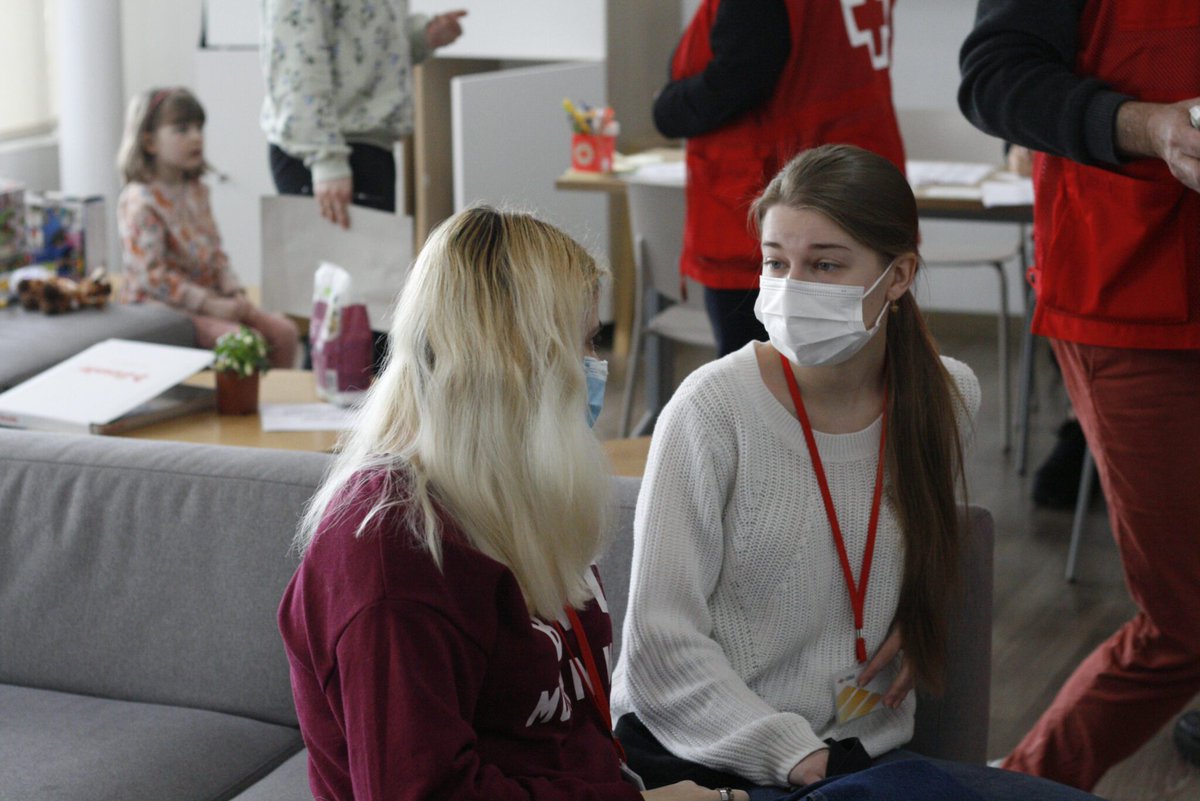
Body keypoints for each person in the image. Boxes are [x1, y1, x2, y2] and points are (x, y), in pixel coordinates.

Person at [609, 145, 1100, 801]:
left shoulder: (947, 395)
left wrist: (914, 601)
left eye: (825, 264)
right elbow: (657, 653)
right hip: (713, 756)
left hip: (862, 755)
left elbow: (917, 540)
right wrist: (798, 755)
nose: (790, 287)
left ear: (898, 277)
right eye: (776, 262)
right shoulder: (712, 407)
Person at [278, 206, 748, 801]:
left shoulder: (503, 498)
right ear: (517, 362)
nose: (596, 369)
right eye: (585, 343)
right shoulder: (392, 553)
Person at [959, 1, 1200, 790]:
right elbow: (995, 80)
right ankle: (1027, 780)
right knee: (1187, 618)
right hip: (1130, 296)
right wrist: (1152, 127)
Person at [655, 0, 905, 356]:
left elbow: (740, 76)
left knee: (758, 386)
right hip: (858, 189)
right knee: (861, 377)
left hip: (775, 213)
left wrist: (666, 107)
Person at [116, 87, 299, 368]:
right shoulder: (140, 202)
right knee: (241, 340)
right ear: (150, 142)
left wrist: (233, 289)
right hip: (166, 306)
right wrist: (209, 304)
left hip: (210, 296)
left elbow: (214, 249)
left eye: (199, 128)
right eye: (181, 129)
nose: (196, 137)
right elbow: (152, 277)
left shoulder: (196, 191)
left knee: (284, 333)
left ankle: (276, 409)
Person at [261, 0, 466, 228]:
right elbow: (297, 65)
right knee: (335, 263)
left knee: (369, 261)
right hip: (326, 151)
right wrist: (326, 160)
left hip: (365, 146)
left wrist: (423, 36)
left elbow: (362, 39)